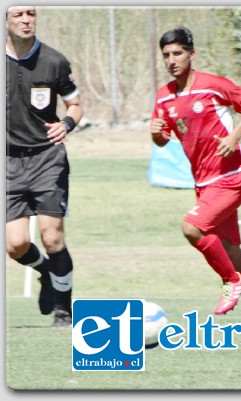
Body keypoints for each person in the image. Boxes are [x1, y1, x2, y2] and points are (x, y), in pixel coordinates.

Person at [150, 27, 241, 321]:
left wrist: (235, 136)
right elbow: (162, 141)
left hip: (230, 177)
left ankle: (232, 281)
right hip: (203, 183)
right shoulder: (163, 98)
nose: (172, 60)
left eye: (177, 53)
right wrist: (156, 134)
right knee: (230, 249)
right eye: (166, 56)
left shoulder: (212, 85)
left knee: (192, 227)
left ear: (191, 54)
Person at [6, 6, 82, 327]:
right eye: (18, 14)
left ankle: (64, 311)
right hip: (8, 163)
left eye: (31, 13)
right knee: (15, 244)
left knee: (52, 238)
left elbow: (75, 105)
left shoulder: (54, 61)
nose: (26, 20)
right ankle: (46, 273)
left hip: (47, 159)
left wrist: (66, 122)